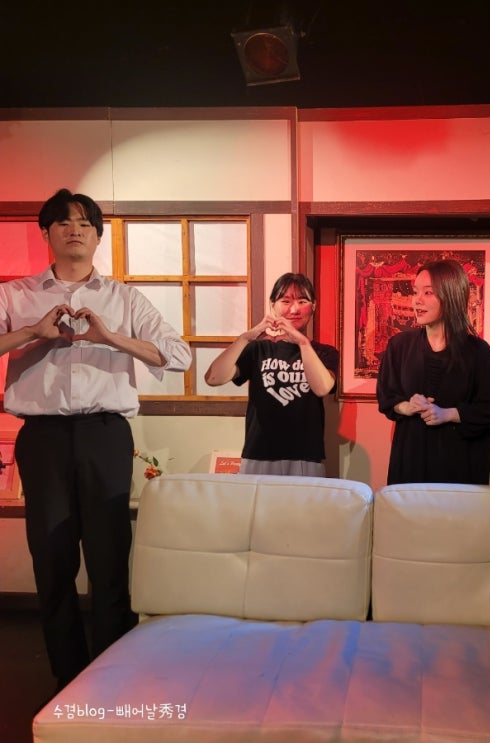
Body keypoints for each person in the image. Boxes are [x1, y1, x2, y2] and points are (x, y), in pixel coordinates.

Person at [0, 188, 192, 691]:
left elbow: (179, 355)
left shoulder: (124, 298)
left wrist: (110, 338)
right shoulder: (16, 295)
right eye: (63, 222)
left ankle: (111, 673)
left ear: (98, 235)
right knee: (52, 557)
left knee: (109, 556)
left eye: (85, 222)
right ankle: (66, 675)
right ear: (46, 232)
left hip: (105, 435)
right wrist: (32, 332)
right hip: (42, 438)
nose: (75, 230)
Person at [376, 258, 490, 485]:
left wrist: (449, 414)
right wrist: (407, 406)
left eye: (428, 293)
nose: (417, 300)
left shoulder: (480, 354)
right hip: (410, 464)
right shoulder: (399, 346)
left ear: (451, 296)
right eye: (415, 292)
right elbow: (387, 397)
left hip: (459, 468)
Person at [204, 272, 338, 476]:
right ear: (272, 305)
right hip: (259, 453)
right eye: (286, 301)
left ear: (314, 306)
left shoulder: (324, 353)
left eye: (302, 301)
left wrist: (302, 342)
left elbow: (322, 388)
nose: (294, 309)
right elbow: (213, 379)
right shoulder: (258, 349)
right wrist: (245, 337)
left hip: (306, 455)